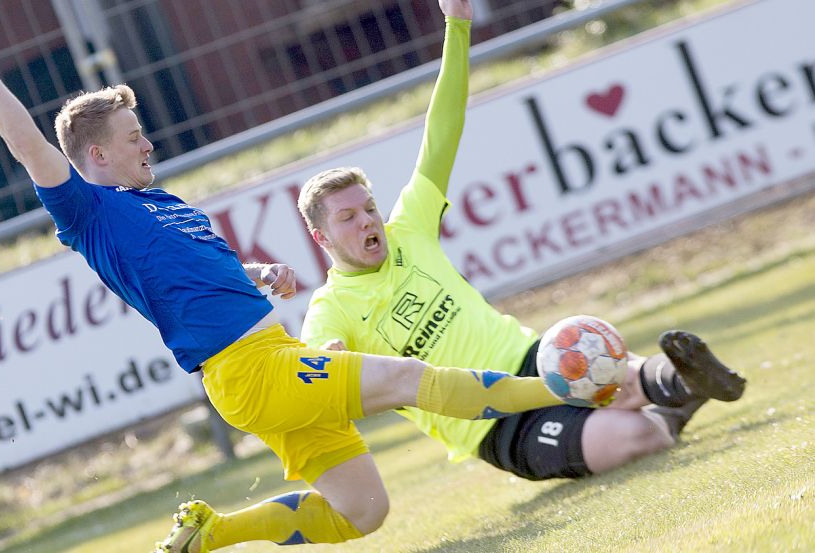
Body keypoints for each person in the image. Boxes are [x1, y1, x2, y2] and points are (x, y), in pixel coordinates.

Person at [0, 4, 596, 552]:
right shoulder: (90, 212)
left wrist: (254, 272)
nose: (149, 144)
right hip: (249, 370)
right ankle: (561, 385)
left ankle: (213, 530)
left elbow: (201, 273)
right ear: (98, 155)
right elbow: (29, 145)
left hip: (272, 360)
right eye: (134, 136)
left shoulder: (162, 206)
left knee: (362, 511)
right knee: (402, 377)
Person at [296, 0, 746, 482]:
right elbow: (314, 376)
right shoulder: (331, 310)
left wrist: (458, 27)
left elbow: (442, 129)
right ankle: (676, 396)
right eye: (349, 217)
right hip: (494, 426)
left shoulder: (410, 227)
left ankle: (683, 379)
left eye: (368, 208)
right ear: (322, 237)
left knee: (610, 365)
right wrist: (332, 369)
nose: (368, 221)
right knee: (635, 438)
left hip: (538, 360)